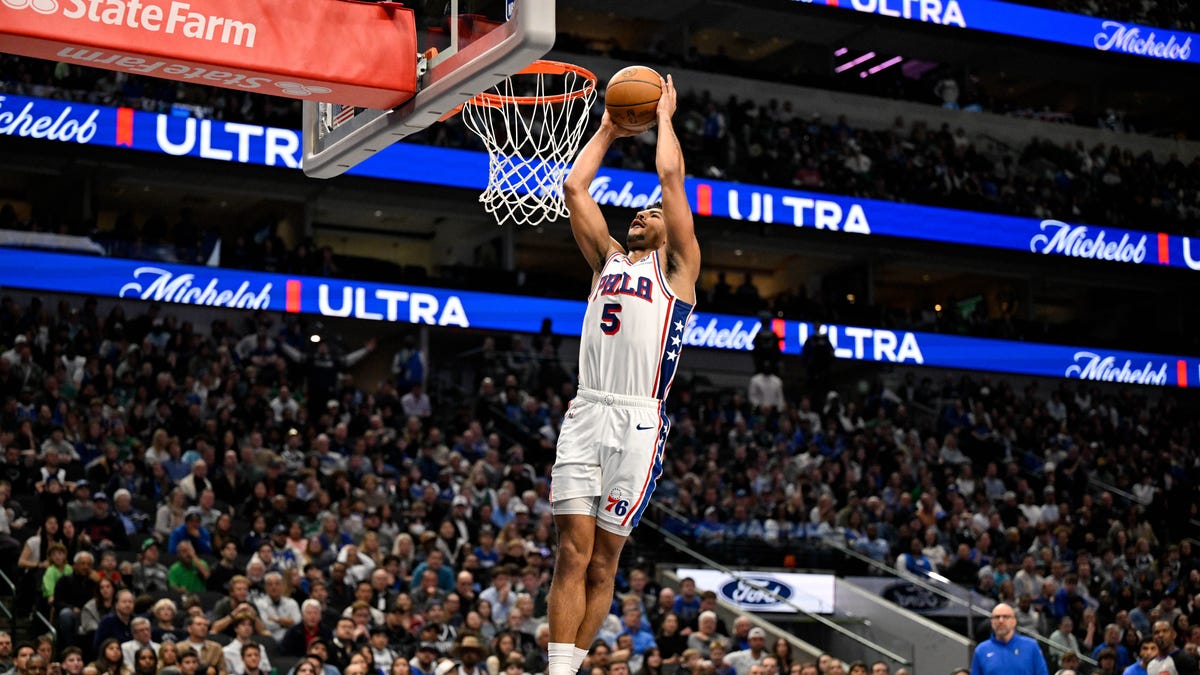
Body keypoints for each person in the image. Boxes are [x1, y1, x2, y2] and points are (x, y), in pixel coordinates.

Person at [548, 72, 700, 675]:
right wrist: (610, 127)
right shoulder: (606, 260)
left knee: (605, 562)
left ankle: (575, 662)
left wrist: (663, 116)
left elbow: (670, 178)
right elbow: (575, 185)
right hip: (587, 409)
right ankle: (559, 671)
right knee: (570, 553)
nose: (644, 209)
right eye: (640, 209)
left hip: (640, 420)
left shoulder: (680, 269)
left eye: (654, 211)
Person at [970, 603, 1049, 675]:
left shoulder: (1031, 646)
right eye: (997, 617)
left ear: (1014, 621)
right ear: (991, 622)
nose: (1001, 621)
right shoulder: (981, 650)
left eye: (1006, 617)